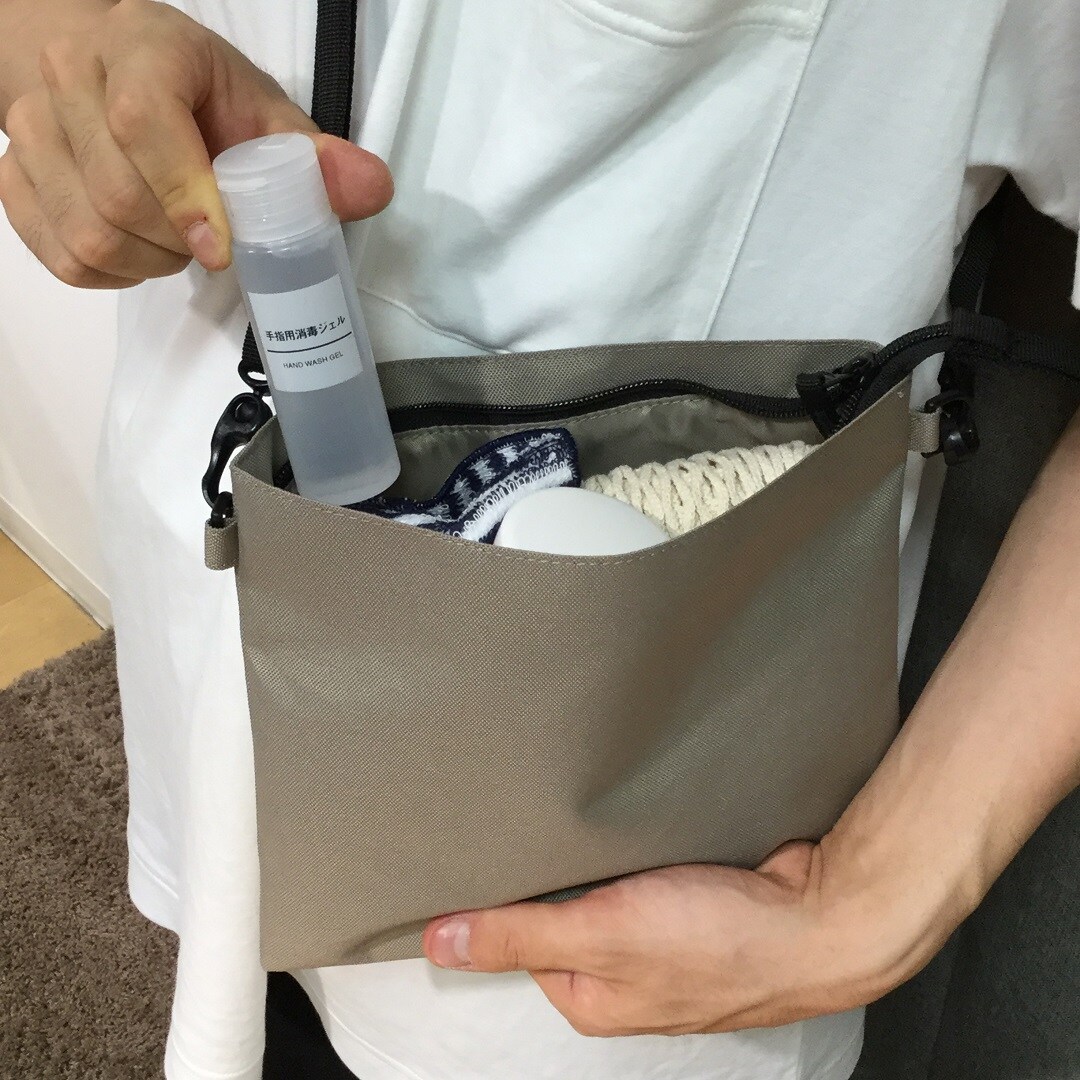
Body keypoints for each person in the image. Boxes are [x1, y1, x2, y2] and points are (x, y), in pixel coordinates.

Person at [1, 1, 1078, 1078]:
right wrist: (70, 62)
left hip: (602, 848)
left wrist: (878, 899)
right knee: (252, 974)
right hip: (224, 617)